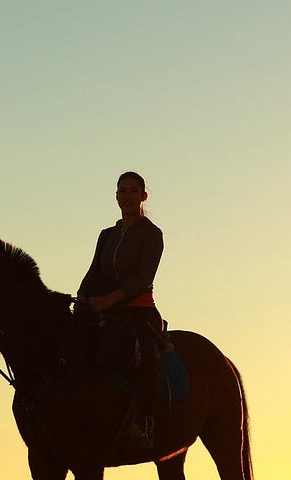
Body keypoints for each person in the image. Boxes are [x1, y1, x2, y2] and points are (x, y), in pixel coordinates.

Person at [77, 171, 170, 448]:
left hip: (138, 310)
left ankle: (145, 423)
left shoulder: (152, 234)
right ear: (116, 196)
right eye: (122, 191)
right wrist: (83, 298)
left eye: (132, 191)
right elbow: (94, 271)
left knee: (139, 355)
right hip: (106, 309)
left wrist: (111, 299)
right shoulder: (107, 235)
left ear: (143, 196)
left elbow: (144, 278)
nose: (126, 196)